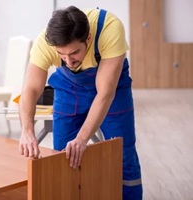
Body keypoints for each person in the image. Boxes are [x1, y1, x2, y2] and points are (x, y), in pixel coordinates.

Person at [18, 5, 142, 200]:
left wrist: (82, 138)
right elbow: (30, 89)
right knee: (62, 156)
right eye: (61, 55)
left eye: (74, 53)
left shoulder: (109, 28)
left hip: (112, 89)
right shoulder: (45, 43)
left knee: (123, 155)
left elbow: (105, 94)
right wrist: (26, 131)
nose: (68, 61)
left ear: (88, 39)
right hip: (70, 88)